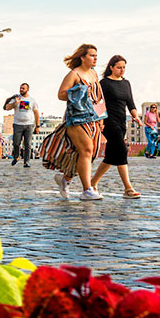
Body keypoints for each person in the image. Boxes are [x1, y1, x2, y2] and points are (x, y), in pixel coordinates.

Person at [41, 43, 105, 201]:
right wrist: (78, 91)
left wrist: (102, 116)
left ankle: (66, 179)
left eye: (96, 55)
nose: (95, 58)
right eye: (91, 55)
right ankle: (87, 190)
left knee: (89, 154)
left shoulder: (93, 73)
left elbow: (98, 95)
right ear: (82, 57)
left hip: (94, 119)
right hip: (77, 118)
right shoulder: (74, 74)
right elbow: (61, 94)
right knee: (86, 150)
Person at [89, 55, 143, 198]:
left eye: (124, 67)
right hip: (108, 122)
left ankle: (92, 182)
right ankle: (128, 188)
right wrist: (100, 120)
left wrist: (135, 116)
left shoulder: (126, 83)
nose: (122, 70)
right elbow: (98, 103)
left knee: (111, 156)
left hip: (121, 122)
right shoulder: (104, 83)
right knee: (121, 150)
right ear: (111, 67)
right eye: (119, 67)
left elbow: (130, 103)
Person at [3, 82, 40, 168]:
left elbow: (36, 113)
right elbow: (7, 108)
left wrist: (37, 126)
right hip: (17, 124)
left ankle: (26, 162)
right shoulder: (16, 98)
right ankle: (16, 156)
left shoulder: (32, 100)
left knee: (28, 144)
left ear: (27, 89)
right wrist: (15, 103)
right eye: (20, 88)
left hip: (29, 125)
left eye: (23, 88)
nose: (21, 90)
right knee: (16, 143)